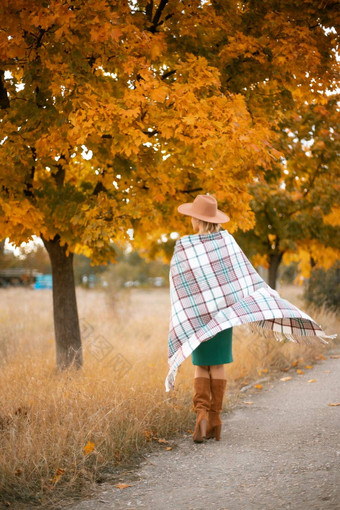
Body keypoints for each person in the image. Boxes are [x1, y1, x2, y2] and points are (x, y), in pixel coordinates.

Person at [166, 194, 336, 444]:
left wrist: (189, 310)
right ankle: (215, 419)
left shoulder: (185, 246)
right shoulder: (228, 241)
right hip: (224, 317)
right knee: (218, 366)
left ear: (196, 219)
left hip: (199, 319)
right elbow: (244, 277)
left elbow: (180, 285)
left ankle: (200, 415)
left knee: (201, 366)